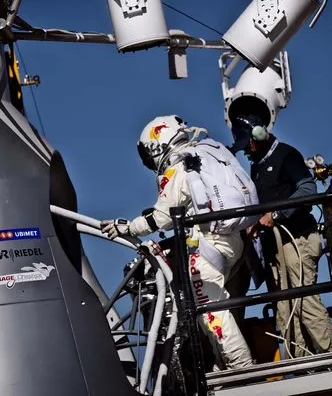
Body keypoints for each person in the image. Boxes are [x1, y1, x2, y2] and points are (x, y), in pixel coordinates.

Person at [100, 115, 259, 371]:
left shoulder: (178, 168)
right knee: (211, 310)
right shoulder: (206, 154)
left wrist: (127, 228)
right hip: (232, 241)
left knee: (212, 313)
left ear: (156, 145)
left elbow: (161, 217)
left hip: (209, 249)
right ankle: (225, 364)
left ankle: (243, 368)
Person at [229, 114, 332, 359]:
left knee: (304, 301)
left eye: (249, 142)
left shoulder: (287, 155)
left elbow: (307, 188)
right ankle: (300, 362)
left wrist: (276, 214)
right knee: (284, 306)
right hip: (274, 248)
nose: (247, 149)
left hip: (296, 239)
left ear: (259, 134)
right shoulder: (257, 165)